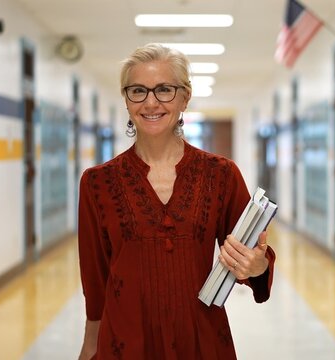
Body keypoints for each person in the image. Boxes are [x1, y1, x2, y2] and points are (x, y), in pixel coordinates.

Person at [77, 43, 276, 360]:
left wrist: (257, 265)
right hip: (125, 341)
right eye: (138, 90)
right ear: (126, 100)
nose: (151, 102)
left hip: (200, 338)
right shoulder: (97, 183)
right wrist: (90, 345)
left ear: (185, 97)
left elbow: (253, 259)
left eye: (164, 90)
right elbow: (95, 278)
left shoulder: (221, 175)